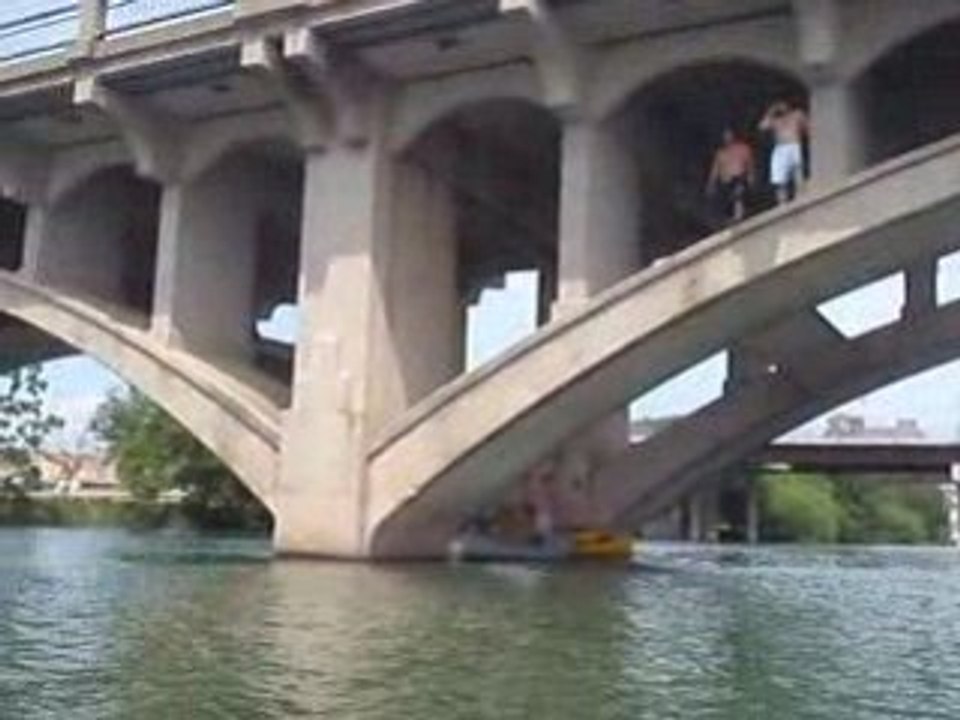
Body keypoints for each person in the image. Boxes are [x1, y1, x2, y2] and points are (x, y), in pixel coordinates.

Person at [759, 100, 809, 205]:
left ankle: (801, 197)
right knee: (779, 179)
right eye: (779, 105)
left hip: (793, 145)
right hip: (780, 149)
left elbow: (808, 128)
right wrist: (770, 111)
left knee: (797, 172)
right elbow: (762, 126)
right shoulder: (775, 120)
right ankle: (782, 202)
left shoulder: (797, 114)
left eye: (783, 104)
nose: (781, 106)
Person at [706, 128, 755, 224]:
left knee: (738, 195)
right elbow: (715, 170)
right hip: (726, 181)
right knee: (728, 200)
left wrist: (751, 175)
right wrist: (711, 184)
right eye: (725, 136)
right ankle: (731, 218)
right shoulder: (720, 153)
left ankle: (738, 216)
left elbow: (750, 163)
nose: (727, 138)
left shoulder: (742, 148)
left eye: (728, 135)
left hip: (739, 177)